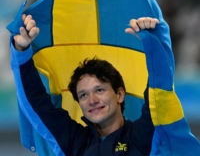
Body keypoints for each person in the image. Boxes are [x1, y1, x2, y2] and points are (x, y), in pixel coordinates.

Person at [11, 14, 159, 156]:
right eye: (83, 95)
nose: (92, 100)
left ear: (119, 94)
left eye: (99, 90)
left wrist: (155, 41)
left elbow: (158, 92)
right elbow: (37, 104)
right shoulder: (75, 141)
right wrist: (21, 51)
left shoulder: (142, 137)